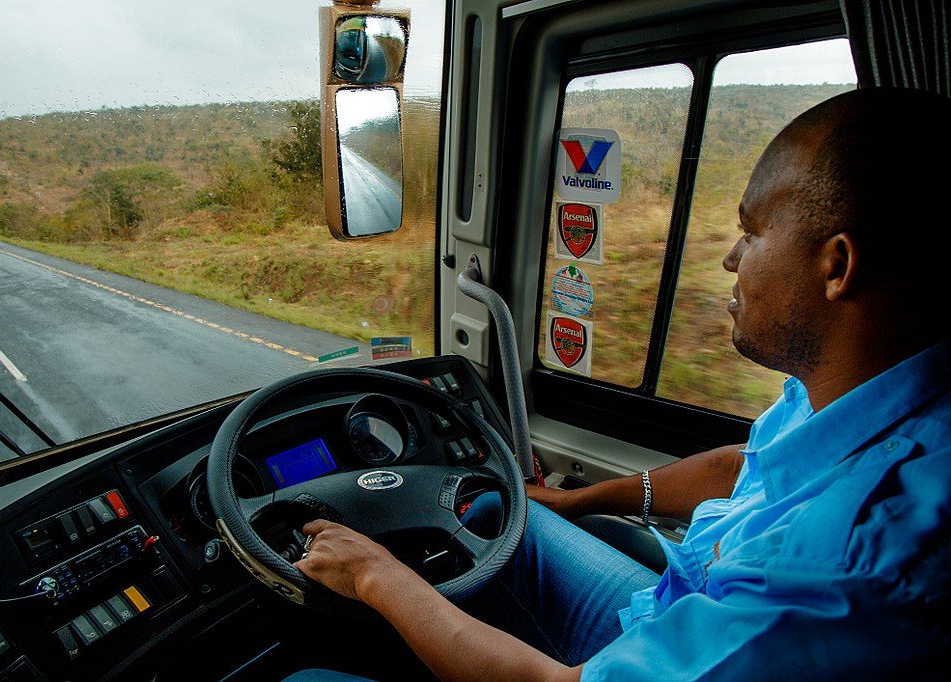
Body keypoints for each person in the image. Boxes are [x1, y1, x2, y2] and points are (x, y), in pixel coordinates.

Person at [289, 88, 951, 680]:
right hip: (680, 609)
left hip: (676, 641)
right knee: (497, 516)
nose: (730, 258)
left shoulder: (847, 565)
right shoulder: (862, 390)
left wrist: (375, 576)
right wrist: (580, 501)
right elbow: (738, 468)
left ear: (837, 267)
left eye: (750, 233)